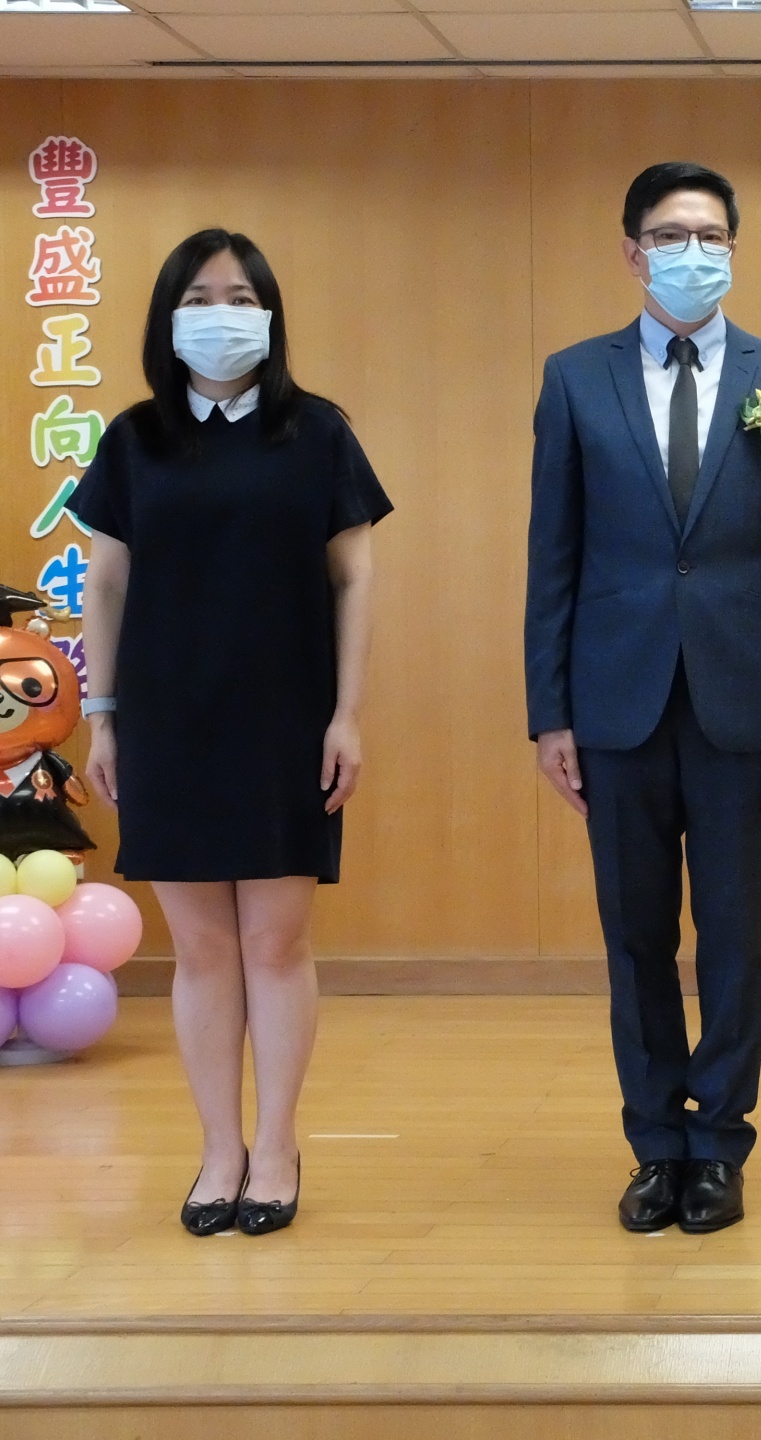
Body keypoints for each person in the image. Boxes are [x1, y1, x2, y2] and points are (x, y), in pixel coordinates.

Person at [524, 162, 761, 1235]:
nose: (690, 252)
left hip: (742, 703)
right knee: (636, 934)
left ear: (733, 251)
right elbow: (553, 557)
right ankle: (656, 1142)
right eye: (669, 235)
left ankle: (721, 1143)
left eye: (709, 236)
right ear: (632, 252)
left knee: (734, 934)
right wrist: (549, 712)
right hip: (614, 701)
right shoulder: (576, 378)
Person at [74, 229, 391, 1237]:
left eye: (242, 296)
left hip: (286, 715)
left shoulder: (319, 432)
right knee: (203, 947)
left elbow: (354, 578)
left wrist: (346, 714)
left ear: (270, 314)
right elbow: (106, 585)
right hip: (167, 716)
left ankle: (278, 1145)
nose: (223, 313)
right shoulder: (135, 438)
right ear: (168, 318)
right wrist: (101, 717)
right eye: (201, 297)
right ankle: (220, 1150)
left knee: (275, 940)